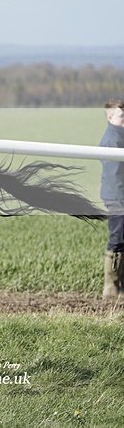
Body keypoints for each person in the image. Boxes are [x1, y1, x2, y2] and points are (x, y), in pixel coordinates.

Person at [100, 98, 124, 299]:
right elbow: (115, 175)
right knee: (118, 238)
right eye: (122, 116)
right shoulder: (113, 140)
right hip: (118, 197)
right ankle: (111, 286)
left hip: (118, 195)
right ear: (110, 117)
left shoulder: (119, 136)